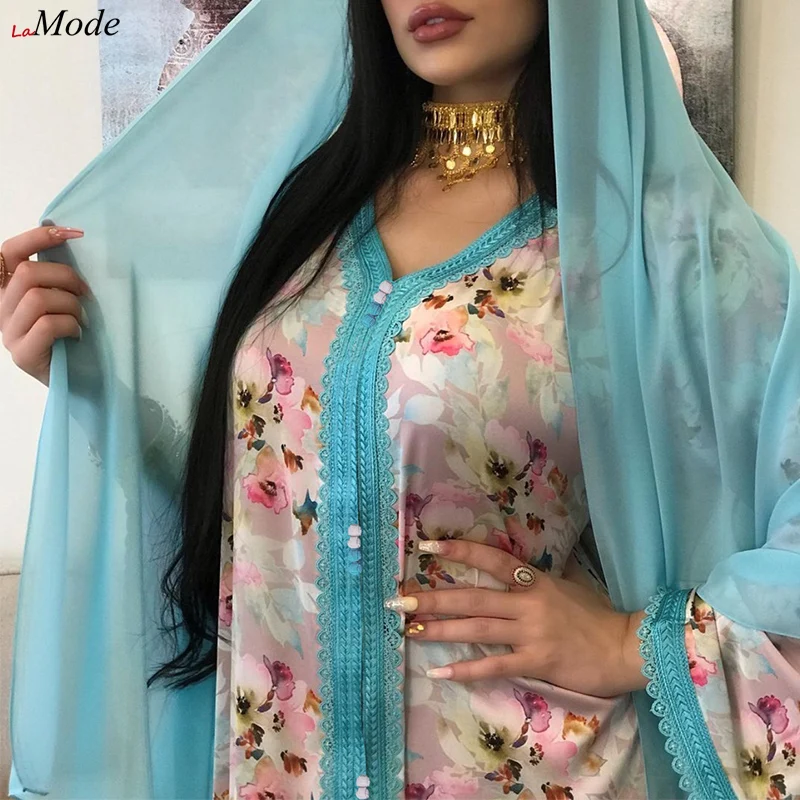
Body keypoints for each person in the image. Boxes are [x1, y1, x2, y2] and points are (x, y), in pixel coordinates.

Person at [2, 1, 800, 798]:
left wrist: (633, 644)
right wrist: (90, 383)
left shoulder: (656, 243)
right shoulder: (307, 216)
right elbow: (267, 499)